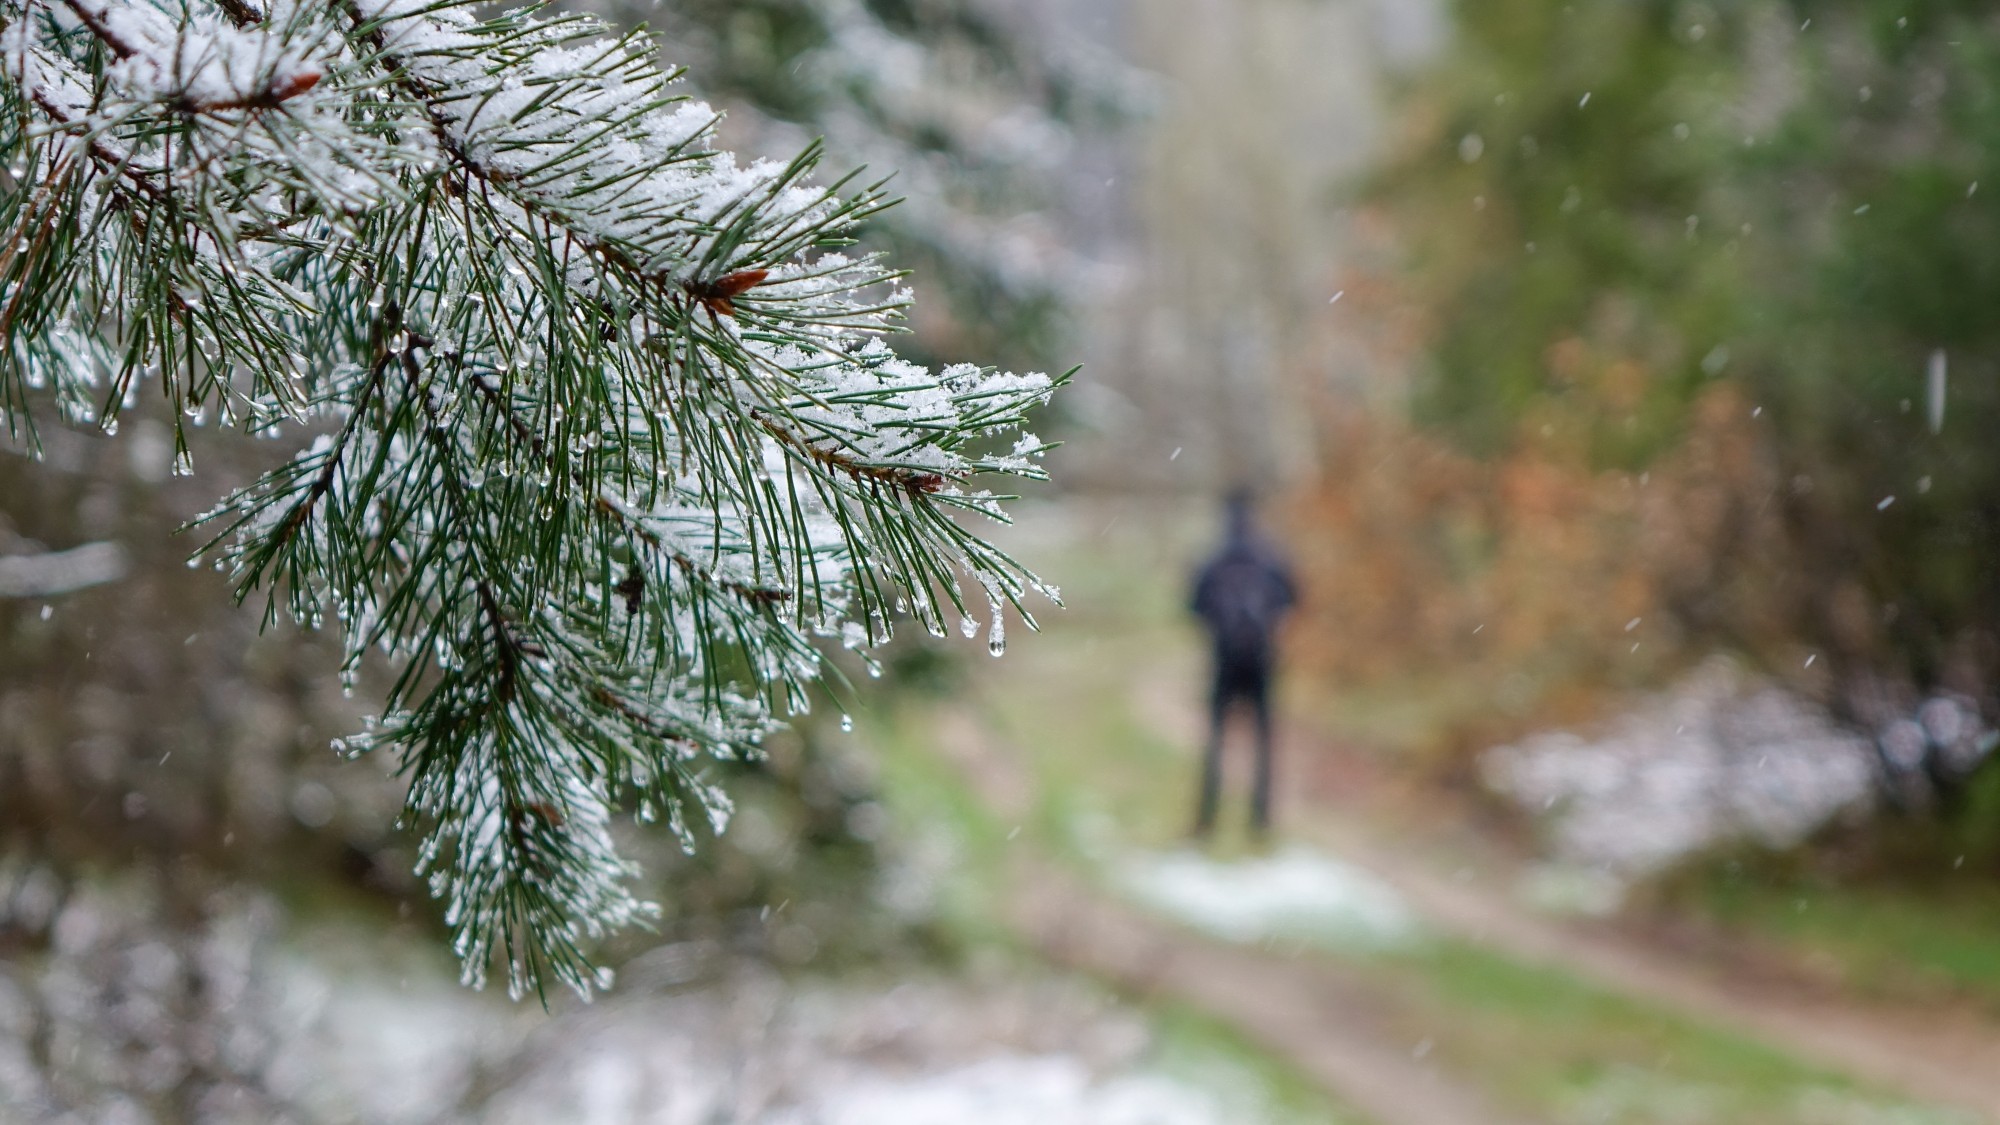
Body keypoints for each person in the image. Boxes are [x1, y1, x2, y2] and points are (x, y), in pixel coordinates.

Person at [1188, 489, 1297, 837]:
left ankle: (1207, 820)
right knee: (1263, 742)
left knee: (1217, 741)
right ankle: (1260, 822)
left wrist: (1218, 631)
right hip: (1262, 661)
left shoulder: (1213, 559)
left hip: (1224, 661)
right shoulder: (1269, 558)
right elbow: (1293, 598)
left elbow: (1192, 606)